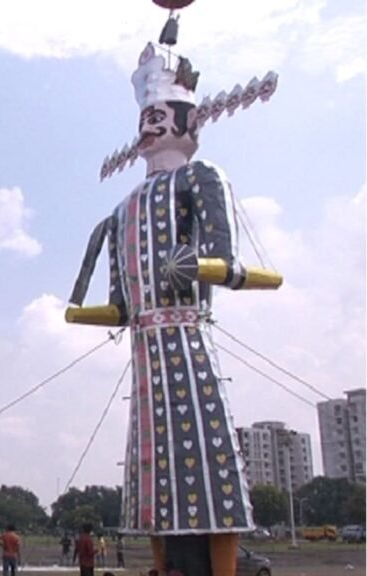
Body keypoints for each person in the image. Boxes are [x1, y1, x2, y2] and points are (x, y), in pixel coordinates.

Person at [67, 39, 274, 576]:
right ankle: (162, 566)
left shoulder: (201, 178)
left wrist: (204, 266)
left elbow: (225, 262)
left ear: (188, 121)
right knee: (151, 469)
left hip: (187, 340)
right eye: (145, 117)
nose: (149, 127)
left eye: (159, 116)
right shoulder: (124, 207)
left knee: (210, 464)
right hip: (145, 353)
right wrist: (93, 311)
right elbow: (119, 300)